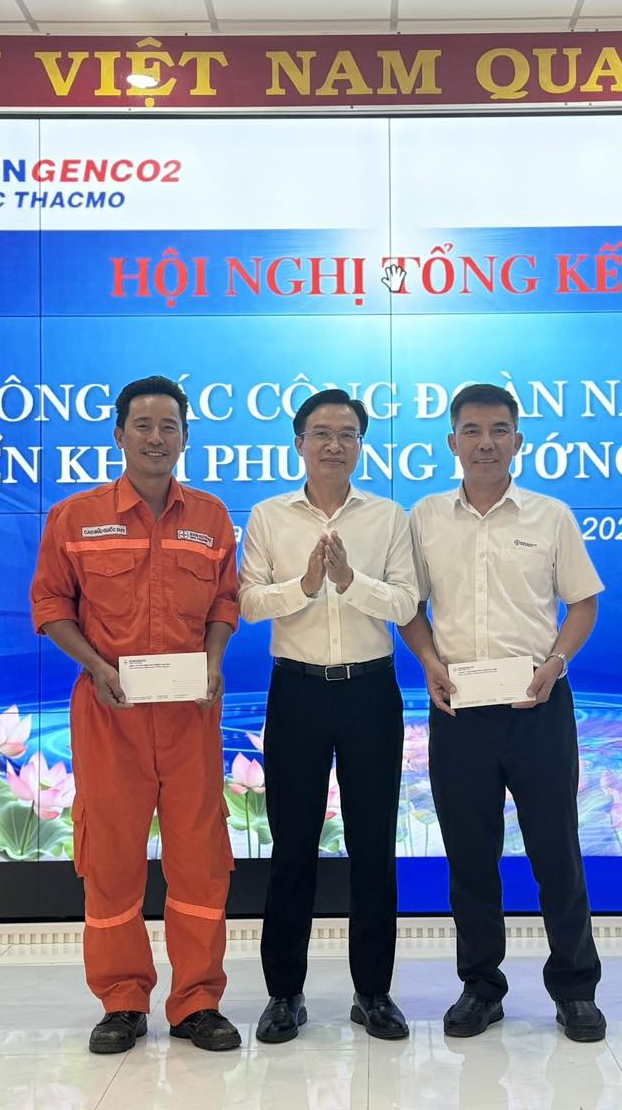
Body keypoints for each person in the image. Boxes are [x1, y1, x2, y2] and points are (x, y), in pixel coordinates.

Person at [30, 375, 243, 1055]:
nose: (157, 438)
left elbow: (225, 602)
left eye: (169, 426)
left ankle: (197, 1001)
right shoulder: (75, 517)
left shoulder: (211, 517)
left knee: (200, 861)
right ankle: (121, 999)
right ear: (119, 434)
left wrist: (214, 659)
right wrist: (96, 666)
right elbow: (50, 606)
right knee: (112, 859)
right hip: (109, 713)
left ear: (185, 437)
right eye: (143, 425)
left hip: (189, 717)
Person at [398, 383, 608, 1043]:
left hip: (537, 703)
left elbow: (582, 603)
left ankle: (575, 990)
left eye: (497, 431)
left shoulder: (550, 516)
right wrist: (428, 661)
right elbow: (408, 607)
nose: (485, 443)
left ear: (518, 441)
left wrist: (557, 663)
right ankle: (480, 988)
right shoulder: (425, 518)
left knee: (556, 851)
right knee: (469, 856)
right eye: (472, 430)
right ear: (452, 442)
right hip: (459, 707)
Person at [239, 389, 419, 1044]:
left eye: (347, 434)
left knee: (374, 846)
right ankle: (284, 993)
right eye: (321, 433)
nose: (334, 444)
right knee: (292, 847)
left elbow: (406, 604)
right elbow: (249, 603)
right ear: (299, 443)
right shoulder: (268, 516)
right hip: (298, 692)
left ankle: (373, 992)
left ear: (361, 445)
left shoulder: (388, 517)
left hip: (371, 692)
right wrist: (306, 586)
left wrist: (349, 581)